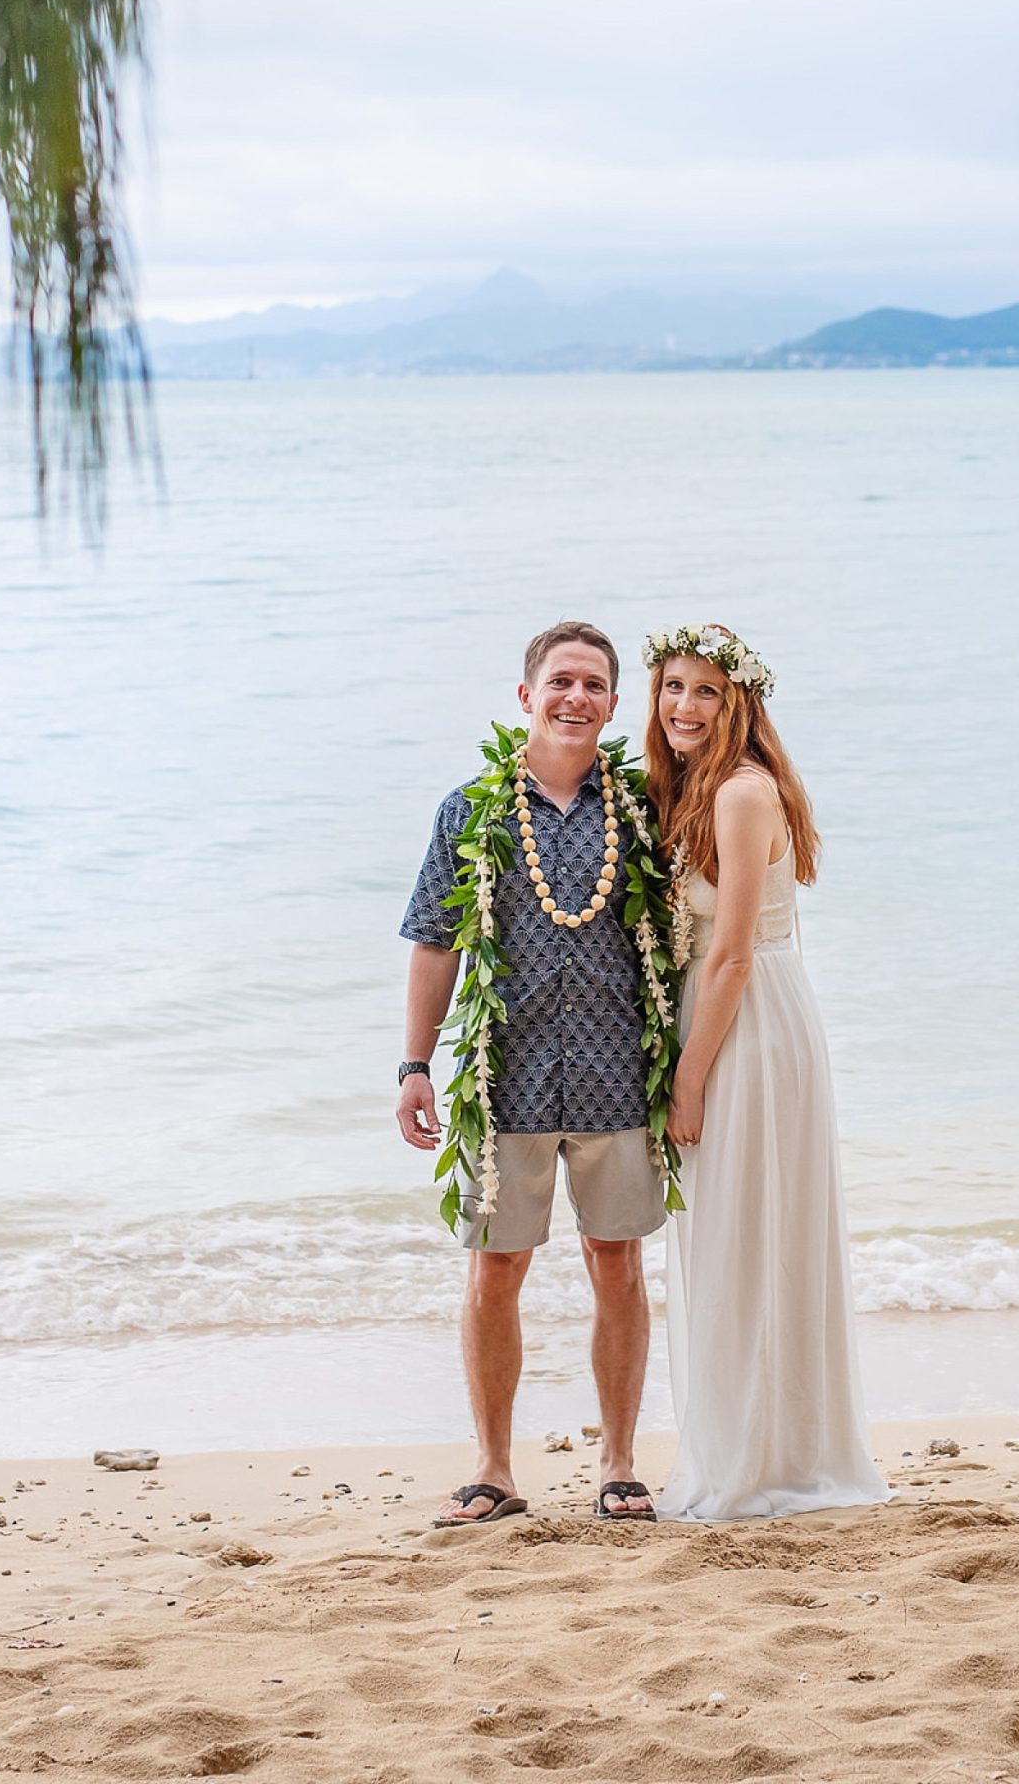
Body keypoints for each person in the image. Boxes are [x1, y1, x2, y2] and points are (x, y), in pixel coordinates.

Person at [396, 620, 666, 1527]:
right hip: (500, 1078)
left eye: (593, 684)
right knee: (495, 1269)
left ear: (614, 705)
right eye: (560, 681)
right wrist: (414, 1064)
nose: (575, 698)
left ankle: (620, 1466)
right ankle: (493, 1470)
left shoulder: (642, 812)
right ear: (526, 696)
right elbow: (433, 943)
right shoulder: (469, 808)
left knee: (617, 1264)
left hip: (616, 1076)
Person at [647, 623, 890, 1521]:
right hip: (723, 1017)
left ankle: (768, 1463)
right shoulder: (690, 789)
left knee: (751, 1234)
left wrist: (687, 1081)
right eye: (674, 686)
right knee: (732, 1237)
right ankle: (747, 1446)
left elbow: (735, 955)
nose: (685, 706)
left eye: (707, 691)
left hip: (746, 1024)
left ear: (740, 702)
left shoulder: (744, 794)